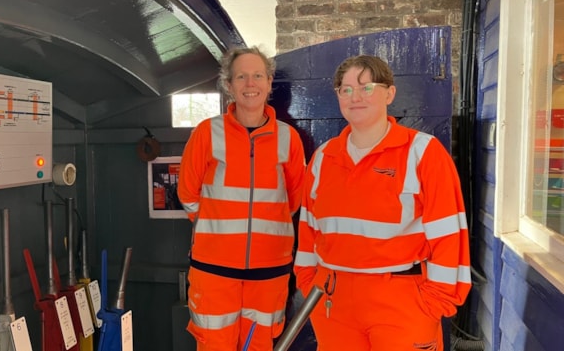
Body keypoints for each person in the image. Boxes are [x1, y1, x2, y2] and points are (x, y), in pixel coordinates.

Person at [293, 55, 471, 351]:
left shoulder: (422, 152)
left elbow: (449, 234)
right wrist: (308, 280)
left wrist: (435, 301)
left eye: (366, 87)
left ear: (389, 93)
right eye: (346, 89)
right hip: (332, 301)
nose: (355, 97)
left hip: (403, 300)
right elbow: (308, 229)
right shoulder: (324, 157)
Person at [177, 46, 306, 351]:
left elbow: (295, 200)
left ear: (269, 81)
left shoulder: (289, 138)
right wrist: (219, 233)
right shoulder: (207, 133)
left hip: (269, 274)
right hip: (213, 273)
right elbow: (188, 195)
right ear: (229, 84)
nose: (251, 84)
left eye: (258, 75)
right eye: (242, 77)